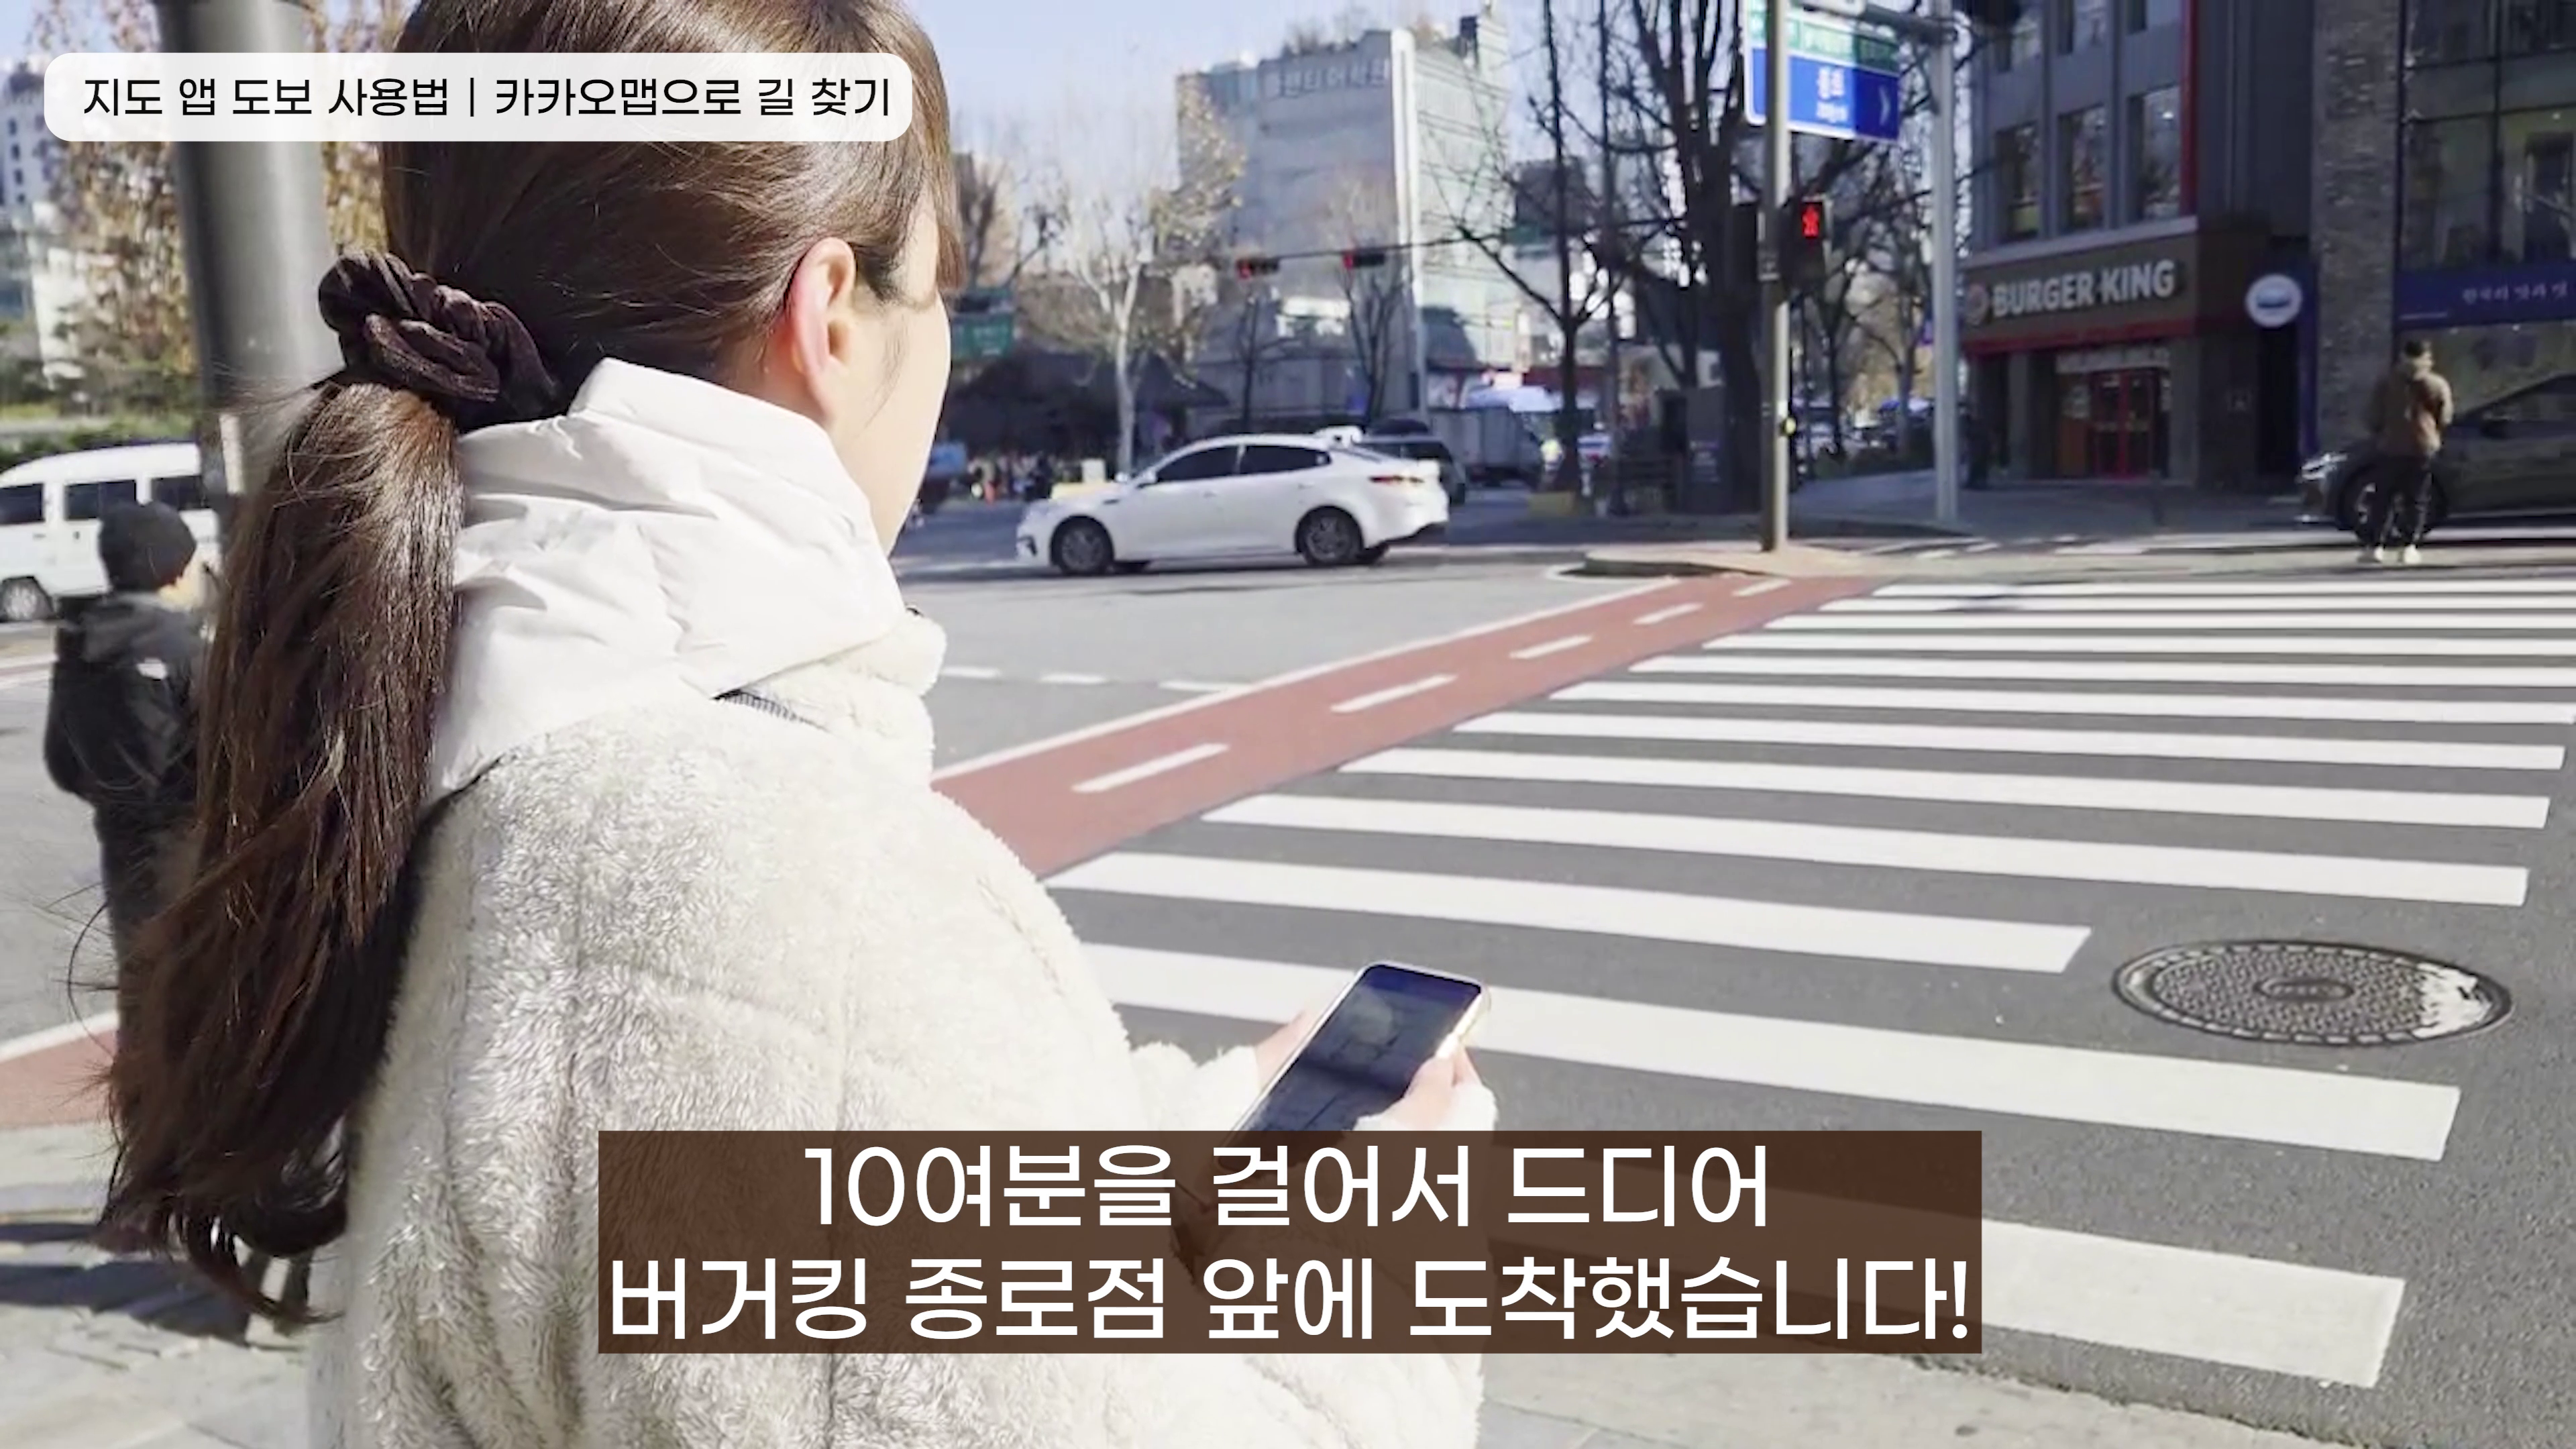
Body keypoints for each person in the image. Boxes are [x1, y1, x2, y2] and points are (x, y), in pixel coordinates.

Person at [95, 2, 1492, 1446]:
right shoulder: (768, 875)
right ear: (827, 315)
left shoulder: (465, 732)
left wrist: (1219, 1125)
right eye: (932, 289)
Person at [42, 500, 208, 1004]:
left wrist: (116, 796)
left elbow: (62, 762)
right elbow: (232, 754)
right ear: (175, 570)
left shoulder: (79, 647)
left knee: (142, 992)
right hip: (190, 850)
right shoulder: (187, 651)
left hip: (121, 845)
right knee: (200, 995)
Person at [2359, 337, 2455, 566]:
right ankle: (2408, 547)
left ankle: (2376, 546)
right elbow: (2445, 417)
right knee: (2416, 499)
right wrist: (2431, 431)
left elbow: (2373, 417)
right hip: (2423, 447)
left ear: (2402, 356)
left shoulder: (2386, 382)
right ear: (2427, 357)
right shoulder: (2436, 384)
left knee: (2383, 498)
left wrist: (2383, 432)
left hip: (2391, 447)